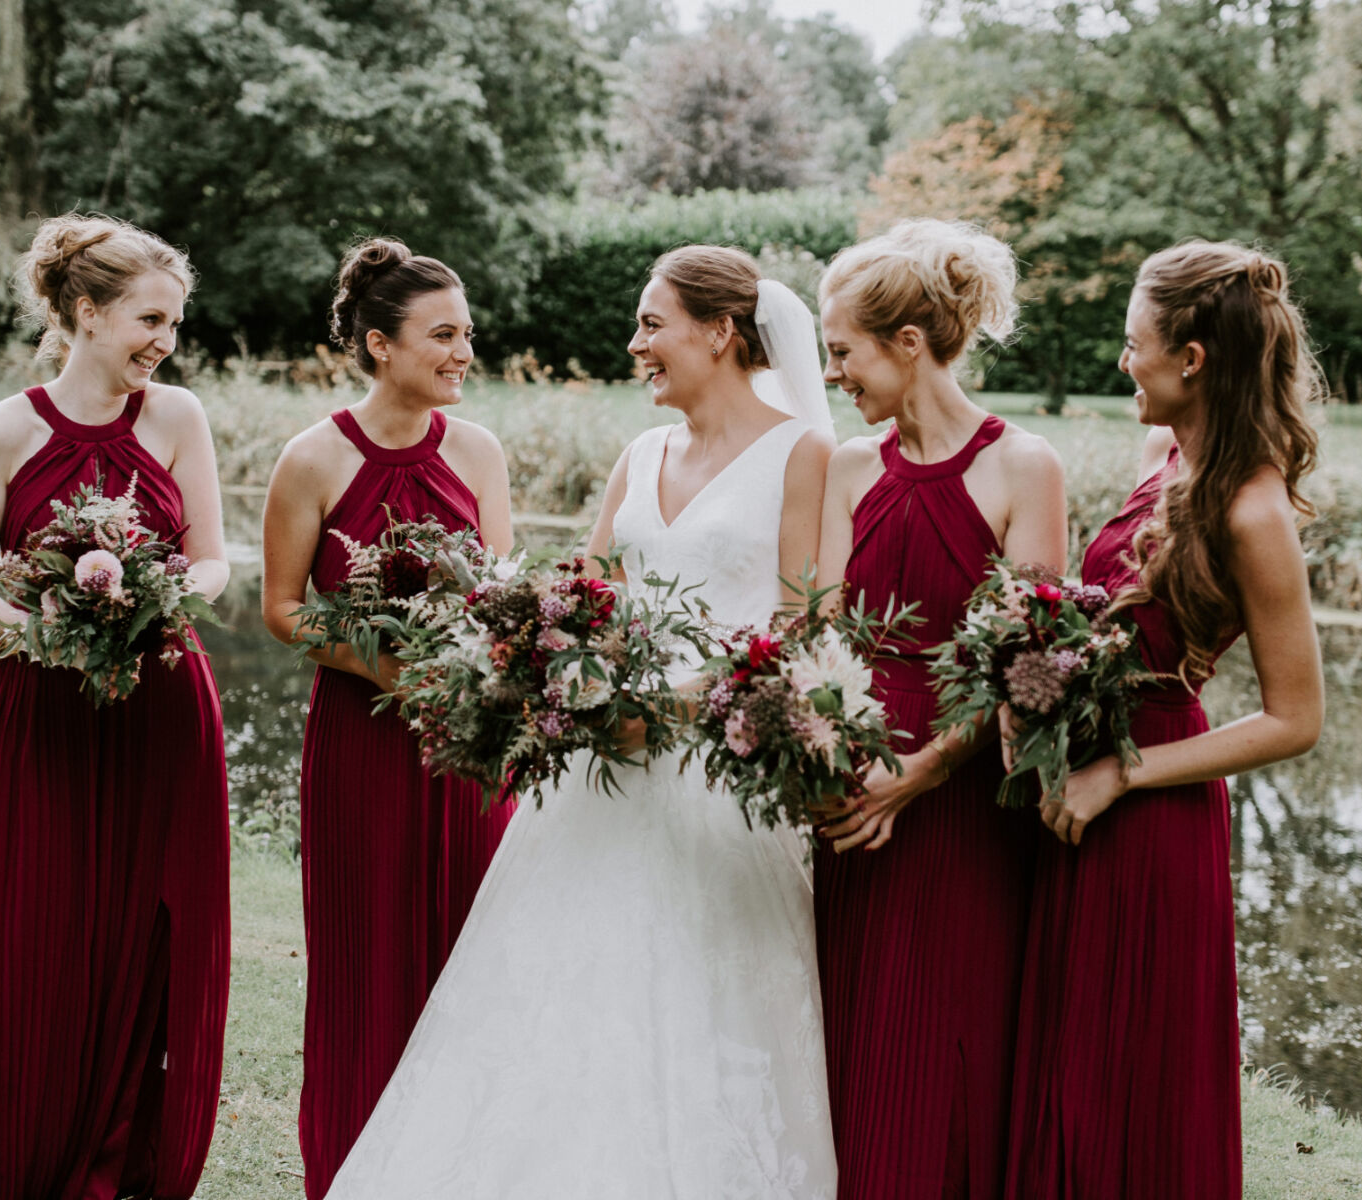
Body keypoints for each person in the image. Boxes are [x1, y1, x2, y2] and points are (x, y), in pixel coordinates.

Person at [325, 245, 840, 1198]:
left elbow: (808, 627)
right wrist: (539, 660)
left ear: (720, 332)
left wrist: (670, 705)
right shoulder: (639, 454)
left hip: (718, 779)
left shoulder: (805, 454)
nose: (634, 343)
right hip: (599, 774)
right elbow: (582, 590)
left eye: (653, 324)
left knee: (703, 1013)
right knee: (553, 1003)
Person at [0, 213, 230, 1199]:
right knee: (35, 940)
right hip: (48, 713)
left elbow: (210, 558)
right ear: (86, 313)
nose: (165, 342)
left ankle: (130, 1167)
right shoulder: (2, 432)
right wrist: (53, 633)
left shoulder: (179, 419)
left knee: (156, 937)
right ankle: (17, 1155)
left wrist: (157, 601)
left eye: (174, 323)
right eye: (150, 319)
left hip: (162, 705)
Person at [1004, 241, 1325, 1199]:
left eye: (1132, 341)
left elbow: (1296, 718)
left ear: (1191, 358)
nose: (1121, 360)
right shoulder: (1160, 455)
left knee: (1130, 1074)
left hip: (1155, 802)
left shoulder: (1254, 509)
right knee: (1068, 1058)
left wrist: (1122, 774)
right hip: (1077, 787)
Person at [810, 219, 1066, 1198]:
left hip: (960, 793)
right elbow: (819, 633)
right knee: (845, 1024)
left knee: (943, 1038)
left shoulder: (1022, 466)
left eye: (846, 352)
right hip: (852, 786)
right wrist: (833, 751)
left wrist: (919, 775)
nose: (836, 374)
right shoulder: (847, 467)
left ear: (907, 344)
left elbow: (1026, 657)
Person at [260, 237, 515, 1200]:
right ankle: (353, 1169)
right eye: (442, 335)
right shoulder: (313, 456)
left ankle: (464, 1168)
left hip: (468, 749)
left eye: (467, 334)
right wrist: (389, 667)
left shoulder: (480, 450)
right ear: (379, 344)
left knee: (469, 954)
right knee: (365, 964)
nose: (463, 352)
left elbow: (499, 598)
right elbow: (283, 610)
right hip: (362, 746)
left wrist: (479, 669)